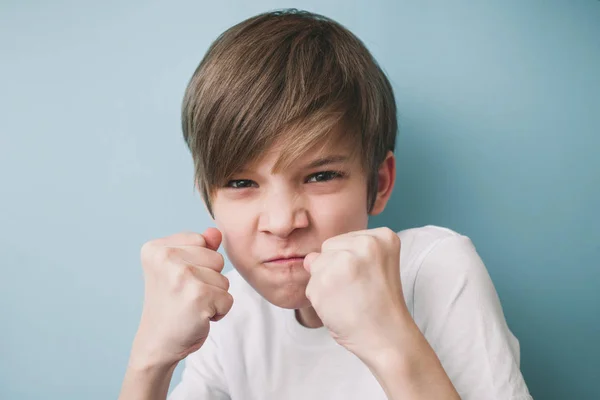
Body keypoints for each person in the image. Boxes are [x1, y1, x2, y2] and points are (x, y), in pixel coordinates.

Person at [119, 9, 533, 400]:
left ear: (380, 182)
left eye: (321, 176)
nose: (282, 223)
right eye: (241, 182)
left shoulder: (435, 269)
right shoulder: (229, 314)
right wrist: (150, 360)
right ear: (208, 197)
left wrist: (392, 343)